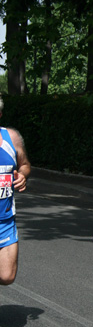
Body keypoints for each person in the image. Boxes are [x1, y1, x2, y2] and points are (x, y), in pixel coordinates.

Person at [0, 98, 31, 285]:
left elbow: (25, 164)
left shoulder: (12, 138)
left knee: (7, 276)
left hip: (5, 221)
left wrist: (22, 175)